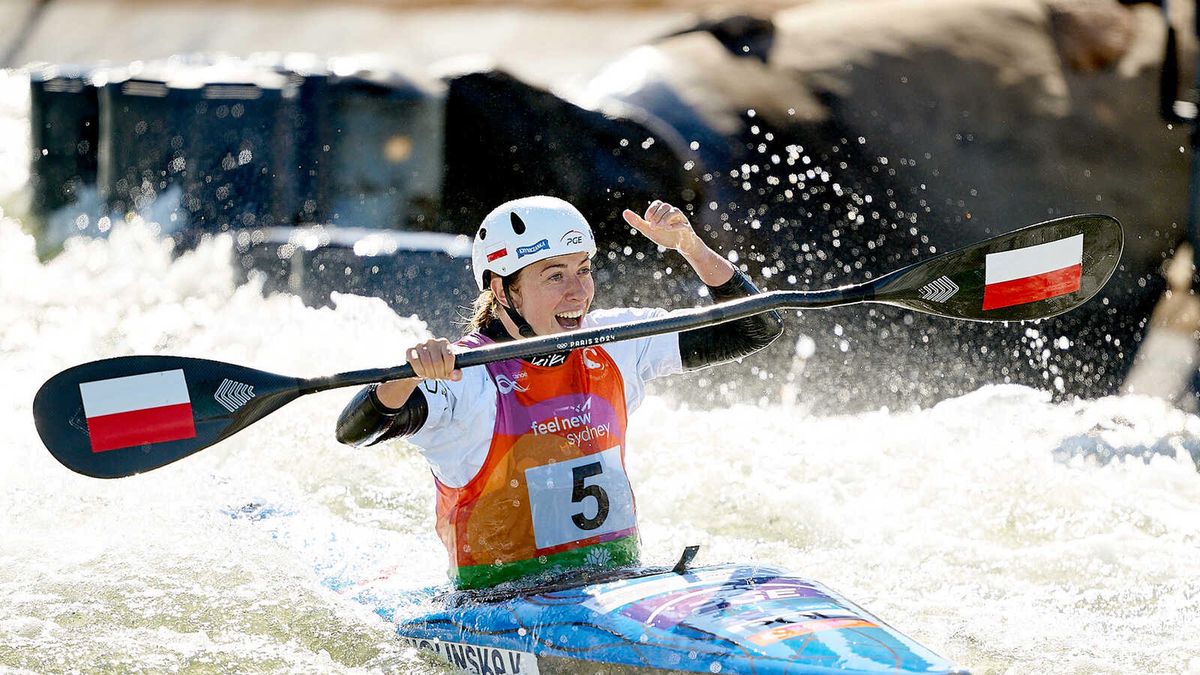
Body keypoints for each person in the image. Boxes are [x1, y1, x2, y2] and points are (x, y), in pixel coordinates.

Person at [336, 195, 783, 590]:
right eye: (554, 276)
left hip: (614, 584)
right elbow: (354, 432)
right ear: (504, 290)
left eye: (583, 270)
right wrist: (405, 378)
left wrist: (690, 246)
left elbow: (756, 328)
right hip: (500, 603)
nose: (579, 292)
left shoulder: (615, 341)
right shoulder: (463, 375)